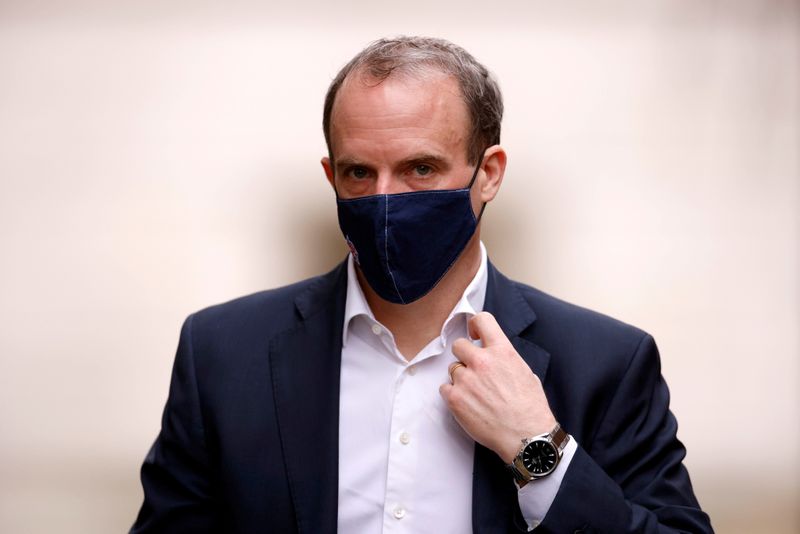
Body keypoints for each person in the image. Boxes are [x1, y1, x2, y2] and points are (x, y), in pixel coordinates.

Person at [131, 36, 713, 533]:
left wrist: (539, 448)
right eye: (360, 172)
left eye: (421, 168)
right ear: (331, 176)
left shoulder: (604, 362)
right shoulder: (224, 353)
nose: (386, 199)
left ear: (488, 174)